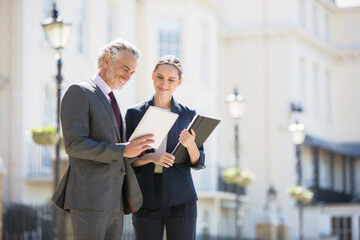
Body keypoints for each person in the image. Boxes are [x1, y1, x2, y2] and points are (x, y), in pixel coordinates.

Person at [51, 38, 154, 240]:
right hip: (90, 200)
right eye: (125, 68)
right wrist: (123, 150)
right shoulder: (80, 92)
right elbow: (74, 145)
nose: (128, 76)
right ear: (107, 61)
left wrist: (144, 153)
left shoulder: (111, 99)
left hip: (115, 201)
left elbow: (119, 152)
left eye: (132, 72)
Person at [125, 55, 206, 240]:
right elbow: (126, 159)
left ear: (179, 82)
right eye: (160, 77)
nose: (164, 83)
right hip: (145, 196)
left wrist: (191, 145)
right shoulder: (134, 114)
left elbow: (198, 161)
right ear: (152, 76)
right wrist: (151, 158)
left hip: (182, 198)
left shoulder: (189, 114)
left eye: (171, 79)